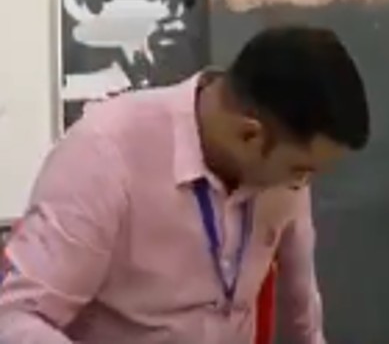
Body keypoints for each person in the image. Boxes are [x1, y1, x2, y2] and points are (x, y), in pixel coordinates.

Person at [0, 25, 370, 344]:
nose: (302, 185)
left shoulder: (281, 169)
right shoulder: (106, 155)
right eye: (299, 170)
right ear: (249, 136)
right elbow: (14, 321)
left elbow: (301, 316)